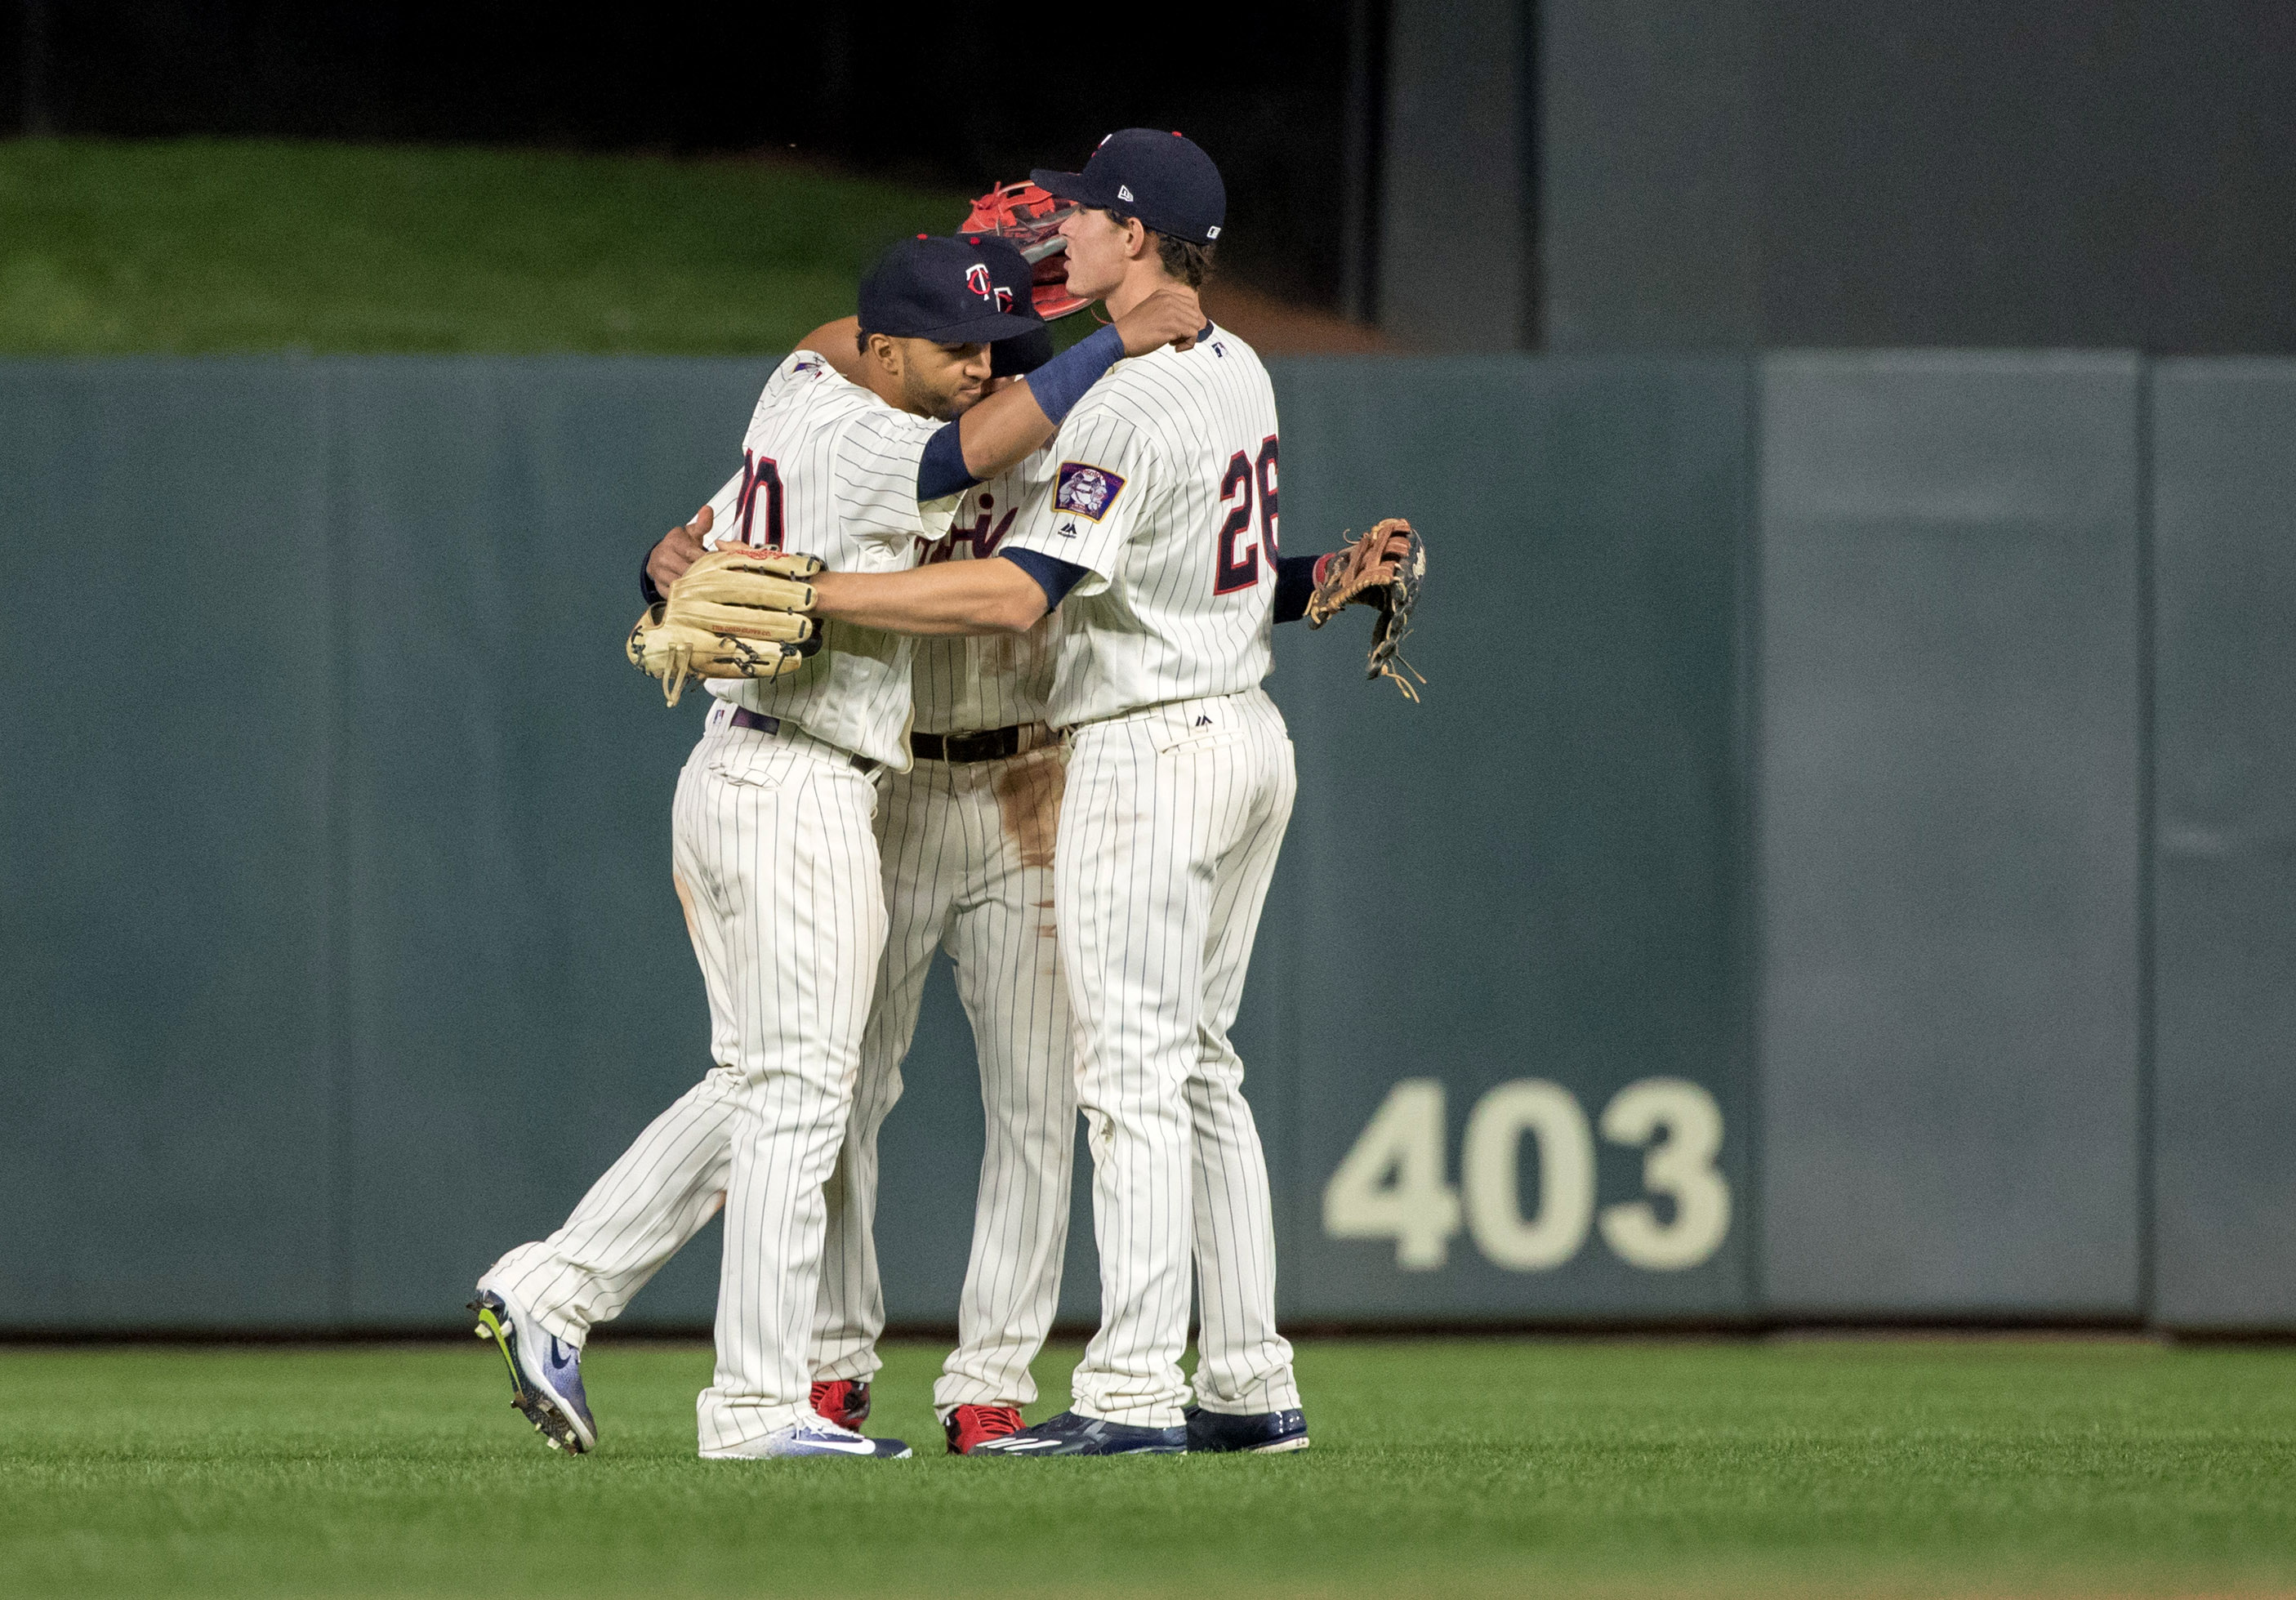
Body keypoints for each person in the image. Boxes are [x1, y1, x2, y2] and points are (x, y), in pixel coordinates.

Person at [469, 233, 1201, 1460]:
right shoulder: (872, 439)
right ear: (880, 348)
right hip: (795, 782)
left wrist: (677, 541)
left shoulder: (802, 385)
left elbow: (846, 355)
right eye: (951, 348)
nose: (975, 367)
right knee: (802, 1098)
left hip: (755, 772)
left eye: (984, 346)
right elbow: (959, 453)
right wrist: (1115, 339)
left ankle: (552, 1288)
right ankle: (756, 1405)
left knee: (767, 1087)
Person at [796, 131, 1366, 1455]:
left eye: (1085, 216)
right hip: (1243, 731)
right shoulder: (1238, 365)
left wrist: (820, 595)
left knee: (1128, 1078)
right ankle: (1248, 1382)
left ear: (1129, 235)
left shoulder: (1121, 400)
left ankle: (1128, 1396)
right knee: (1202, 1071)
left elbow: (1015, 596)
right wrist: (1322, 574)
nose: (1062, 231)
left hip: (1145, 750)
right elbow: (1208, 564)